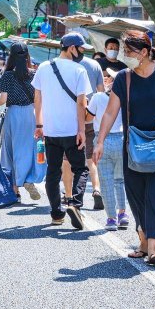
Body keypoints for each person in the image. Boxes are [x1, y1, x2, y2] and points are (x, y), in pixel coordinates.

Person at [94, 30, 155, 264]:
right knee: (136, 194)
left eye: (129, 51)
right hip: (133, 147)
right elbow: (111, 111)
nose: (124, 55)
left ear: (144, 52)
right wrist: (100, 140)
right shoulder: (124, 77)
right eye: (124, 51)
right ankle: (142, 241)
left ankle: (153, 248)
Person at [32, 32, 92, 229]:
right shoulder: (79, 70)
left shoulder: (43, 67)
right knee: (81, 169)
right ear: (72, 47)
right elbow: (82, 103)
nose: (82, 52)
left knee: (52, 171)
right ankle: (75, 203)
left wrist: (39, 125)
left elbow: (37, 99)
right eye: (81, 49)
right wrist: (82, 130)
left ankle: (56, 213)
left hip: (50, 130)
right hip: (72, 130)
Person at [0, 42, 44, 202]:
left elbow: (2, 100)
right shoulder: (34, 74)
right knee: (32, 149)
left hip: (13, 114)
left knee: (10, 151)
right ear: (28, 56)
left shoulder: (7, 75)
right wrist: (39, 122)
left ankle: (15, 190)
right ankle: (29, 178)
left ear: (11, 57)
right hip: (31, 113)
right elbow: (38, 100)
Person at [61, 50, 105, 210]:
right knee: (90, 158)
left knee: (67, 160)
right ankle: (96, 190)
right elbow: (101, 91)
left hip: (71, 119)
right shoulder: (95, 65)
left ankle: (67, 196)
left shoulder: (66, 66)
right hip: (91, 117)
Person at [86, 68, 128, 231]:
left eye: (109, 77)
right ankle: (122, 214)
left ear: (112, 82)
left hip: (101, 139)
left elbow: (88, 118)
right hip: (121, 140)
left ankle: (111, 218)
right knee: (120, 179)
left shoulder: (97, 97)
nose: (107, 79)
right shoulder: (126, 99)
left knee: (105, 180)